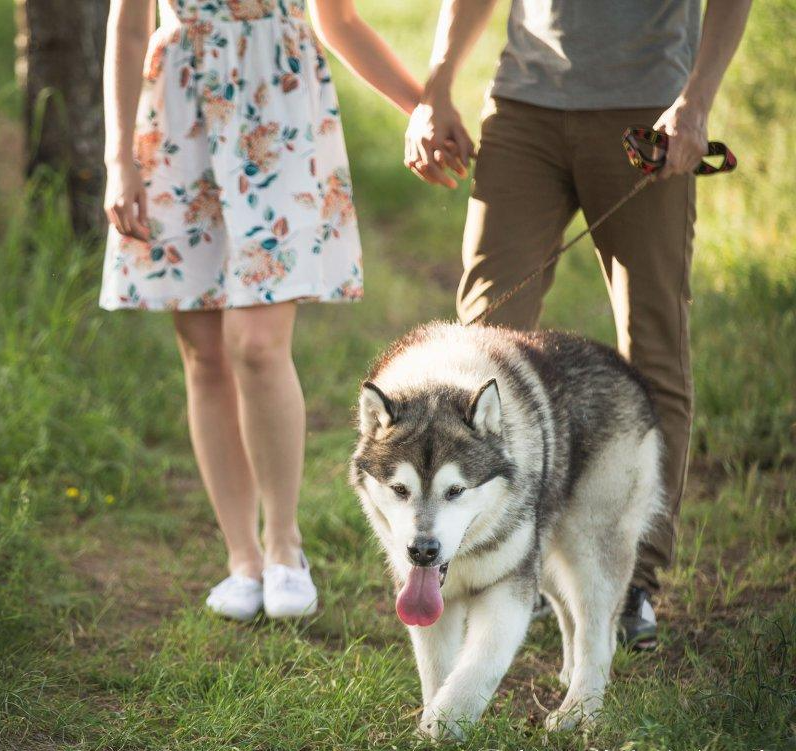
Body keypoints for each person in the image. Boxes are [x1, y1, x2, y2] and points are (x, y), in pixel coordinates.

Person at [404, 0, 752, 649]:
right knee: (478, 353)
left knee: (651, 351)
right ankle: (497, 560)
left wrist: (697, 99)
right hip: (522, 110)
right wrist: (437, 84)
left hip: (649, 116)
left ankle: (633, 582)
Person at [102, 0, 421, 620]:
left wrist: (420, 105)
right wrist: (119, 160)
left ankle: (284, 547)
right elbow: (129, 21)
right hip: (177, 109)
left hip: (278, 104)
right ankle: (242, 559)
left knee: (255, 343)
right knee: (203, 353)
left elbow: (340, 19)